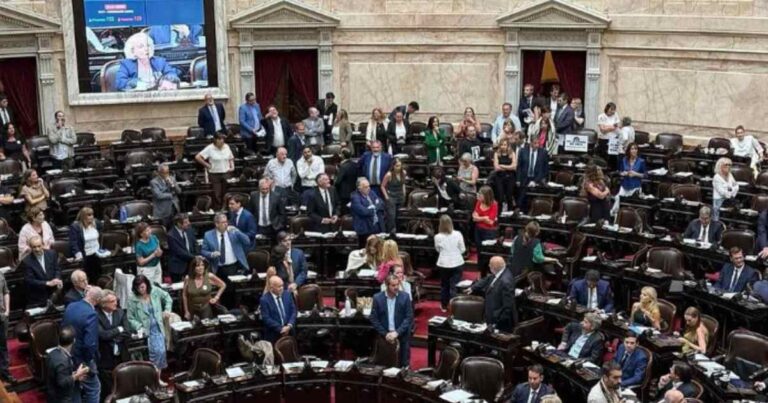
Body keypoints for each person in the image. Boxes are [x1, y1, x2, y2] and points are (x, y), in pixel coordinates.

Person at [61, 286, 103, 403]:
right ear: (98, 300)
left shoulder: (71, 306)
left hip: (67, 354)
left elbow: (63, 328)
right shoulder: (91, 314)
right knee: (94, 388)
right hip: (82, 359)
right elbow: (90, 344)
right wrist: (88, 361)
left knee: (75, 388)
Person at [201, 213, 251, 307]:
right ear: (216, 224)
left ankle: (234, 309)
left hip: (233, 266)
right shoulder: (208, 235)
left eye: (226, 222)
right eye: (223, 222)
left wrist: (237, 231)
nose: (226, 224)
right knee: (224, 292)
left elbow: (247, 241)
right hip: (218, 268)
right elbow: (203, 251)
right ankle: (225, 309)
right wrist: (211, 254)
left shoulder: (233, 232)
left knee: (233, 291)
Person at [126, 276, 172, 370]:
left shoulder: (154, 290)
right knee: (153, 354)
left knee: (161, 352)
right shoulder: (132, 298)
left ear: (146, 284)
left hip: (158, 327)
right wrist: (139, 326)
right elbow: (130, 318)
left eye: (142, 287)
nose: (141, 290)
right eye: (138, 288)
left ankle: (157, 377)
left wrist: (167, 310)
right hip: (145, 330)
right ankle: (153, 377)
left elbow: (167, 298)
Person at [370, 273, 414, 367]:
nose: (396, 287)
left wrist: (397, 332)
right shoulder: (377, 298)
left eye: (397, 284)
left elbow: (409, 317)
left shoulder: (405, 297)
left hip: (401, 335)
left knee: (403, 364)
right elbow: (374, 318)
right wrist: (385, 334)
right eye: (393, 285)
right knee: (385, 365)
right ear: (387, 285)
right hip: (384, 335)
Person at [467, 256, 517, 331]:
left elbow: (507, 307)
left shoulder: (505, 282)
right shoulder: (501, 271)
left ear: (493, 268)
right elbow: (487, 279)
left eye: (490, 264)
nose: (489, 266)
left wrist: (496, 323)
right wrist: (473, 287)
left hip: (499, 320)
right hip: (492, 313)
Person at [96, 290, 130, 401]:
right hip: (105, 358)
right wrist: (118, 329)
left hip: (121, 355)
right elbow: (103, 335)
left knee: (123, 385)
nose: (116, 303)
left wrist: (115, 339)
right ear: (104, 304)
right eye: (112, 301)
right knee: (108, 389)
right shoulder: (96, 315)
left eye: (116, 300)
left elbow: (127, 332)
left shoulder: (120, 312)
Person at [46, 325, 90, 403]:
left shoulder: (52, 353)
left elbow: (58, 375)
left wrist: (74, 373)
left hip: (52, 394)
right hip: (62, 398)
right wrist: (77, 375)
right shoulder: (63, 361)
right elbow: (62, 383)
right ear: (74, 341)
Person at [195, 132, 234, 209]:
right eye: (219, 139)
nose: (222, 141)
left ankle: (227, 208)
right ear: (215, 140)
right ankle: (218, 209)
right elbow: (198, 157)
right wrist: (207, 165)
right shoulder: (210, 148)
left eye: (223, 139)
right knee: (217, 194)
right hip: (214, 174)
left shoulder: (227, 146)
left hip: (226, 173)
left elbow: (231, 157)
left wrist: (232, 166)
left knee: (226, 193)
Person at [434, 215, 465, 311]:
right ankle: (455, 307)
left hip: (443, 264)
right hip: (457, 263)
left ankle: (444, 306)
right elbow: (463, 249)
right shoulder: (458, 234)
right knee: (454, 285)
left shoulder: (437, 237)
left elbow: (438, 250)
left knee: (444, 285)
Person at [23, 235, 62, 307]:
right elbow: (30, 280)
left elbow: (57, 269)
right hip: (38, 296)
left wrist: (57, 278)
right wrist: (47, 283)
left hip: (54, 292)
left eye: (39, 246)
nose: (37, 249)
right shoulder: (27, 261)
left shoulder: (52, 254)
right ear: (31, 247)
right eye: (34, 247)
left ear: (43, 245)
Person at [69, 207, 103, 282]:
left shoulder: (96, 223)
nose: (91, 217)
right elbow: (73, 242)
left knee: (97, 276)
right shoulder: (76, 226)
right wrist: (77, 253)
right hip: (85, 256)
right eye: (89, 215)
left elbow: (101, 235)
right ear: (83, 216)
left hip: (97, 254)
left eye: (92, 215)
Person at [611, 143, 646, 216]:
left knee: (631, 206)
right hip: (624, 186)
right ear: (629, 150)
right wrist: (623, 173)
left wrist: (636, 174)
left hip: (635, 187)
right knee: (618, 199)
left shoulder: (641, 161)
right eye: (632, 149)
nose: (634, 151)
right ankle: (616, 217)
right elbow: (620, 172)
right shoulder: (624, 160)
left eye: (635, 149)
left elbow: (645, 175)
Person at [259, 275, 297, 343]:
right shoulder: (264, 300)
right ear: (271, 288)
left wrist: (289, 325)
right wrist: (281, 329)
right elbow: (266, 318)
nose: (282, 288)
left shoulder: (287, 295)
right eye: (279, 286)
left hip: (290, 332)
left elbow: (293, 311)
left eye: (282, 285)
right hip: (274, 334)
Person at [516, 136, 549, 211]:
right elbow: (519, 167)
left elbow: (544, 169)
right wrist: (518, 179)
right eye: (535, 143)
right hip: (524, 178)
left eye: (538, 143)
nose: (537, 145)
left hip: (537, 179)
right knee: (521, 199)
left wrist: (535, 181)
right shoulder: (523, 151)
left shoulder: (543, 152)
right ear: (530, 143)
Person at [350, 177, 386, 247]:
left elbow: (381, 202)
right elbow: (363, 212)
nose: (369, 188)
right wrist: (376, 207)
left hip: (377, 226)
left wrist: (373, 207)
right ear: (359, 188)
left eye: (369, 186)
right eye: (366, 187)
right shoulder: (355, 197)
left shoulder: (371, 193)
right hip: (365, 229)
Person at [472, 186, 498, 276]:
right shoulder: (478, 202)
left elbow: (490, 222)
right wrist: (484, 218)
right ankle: (481, 273)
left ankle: (490, 272)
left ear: (486, 196)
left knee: (487, 253)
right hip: (478, 230)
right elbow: (474, 218)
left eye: (480, 194)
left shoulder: (494, 204)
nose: (478, 196)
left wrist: (479, 218)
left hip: (489, 232)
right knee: (479, 252)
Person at [167, 213, 197, 283]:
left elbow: (195, 244)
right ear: (179, 224)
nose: (189, 223)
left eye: (188, 221)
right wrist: (195, 257)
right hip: (178, 267)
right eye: (186, 222)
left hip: (191, 265)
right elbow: (179, 252)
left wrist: (196, 254)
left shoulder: (190, 230)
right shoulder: (171, 235)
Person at [150, 163, 181, 228]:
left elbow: (179, 191)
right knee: (164, 229)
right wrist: (171, 194)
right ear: (160, 173)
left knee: (174, 229)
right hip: (163, 210)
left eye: (168, 172)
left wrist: (173, 184)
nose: (167, 174)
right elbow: (159, 195)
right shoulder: (154, 182)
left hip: (174, 208)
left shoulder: (172, 179)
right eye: (165, 173)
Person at [380, 158, 406, 234]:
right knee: (391, 216)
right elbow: (382, 186)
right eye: (397, 166)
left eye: (400, 165)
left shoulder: (403, 173)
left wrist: (404, 193)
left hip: (400, 196)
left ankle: (399, 233)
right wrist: (386, 197)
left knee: (399, 216)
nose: (399, 167)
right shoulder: (389, 174)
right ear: (393, 166)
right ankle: (390, 233)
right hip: (391, 196)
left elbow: (403, 184)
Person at [133, 222, 163, 286]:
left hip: (157, 265)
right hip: (146, 270)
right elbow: (141, 262)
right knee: (149, 288)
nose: (149, 231)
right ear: (141, 234)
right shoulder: (139, 245)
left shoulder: (154, 237)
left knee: (158, 287)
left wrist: (160, 253)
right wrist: (153, 255)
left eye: (149, 229)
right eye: (147, 231)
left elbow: (158, 250)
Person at [493, 139, 517, 212]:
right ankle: (499, 213)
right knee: (500, 197)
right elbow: (496, 168)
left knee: (509, 196)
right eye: (502, 145)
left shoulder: (512, 153)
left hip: (510, 177)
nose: (503, 146)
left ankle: (509, 213)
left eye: (505, 145)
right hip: (499, 177)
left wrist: (502, 166)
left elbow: (514, 167)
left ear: (508, 146)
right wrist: (508, 167)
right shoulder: (496, 154)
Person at [712, 157, 739, 222]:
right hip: (719, 201)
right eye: (726, 165)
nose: (728, 166)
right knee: (717, 219)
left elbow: (736, 186)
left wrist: (730, 192)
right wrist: (731, 191)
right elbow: (722, 192)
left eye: (730, 165)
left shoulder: (730, 175)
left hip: (729, 200)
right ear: (720, 166)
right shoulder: (716, 177)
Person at [0, 268, 11, 384]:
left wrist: (7, 310)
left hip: (2, 317)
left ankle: (5, 372)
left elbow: (6, 292)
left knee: (3, 345)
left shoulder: (0, 273)